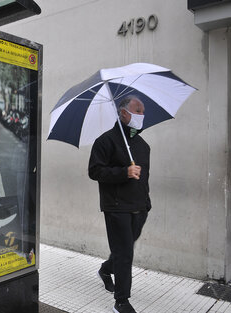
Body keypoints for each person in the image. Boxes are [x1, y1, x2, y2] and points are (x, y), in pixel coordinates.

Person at [88, 95, 151, 313]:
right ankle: (121, 301)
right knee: (125, 253)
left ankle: (106, 270)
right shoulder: (105, 141)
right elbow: (94, 171)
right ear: (123, 113)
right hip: (116, 207)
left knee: (123, 249)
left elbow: (145, 179)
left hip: (139, 207)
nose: (141, 115)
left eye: (143, 111)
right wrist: (124, 172)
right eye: (137, 110)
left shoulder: (143, 146)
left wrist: (146, 204)